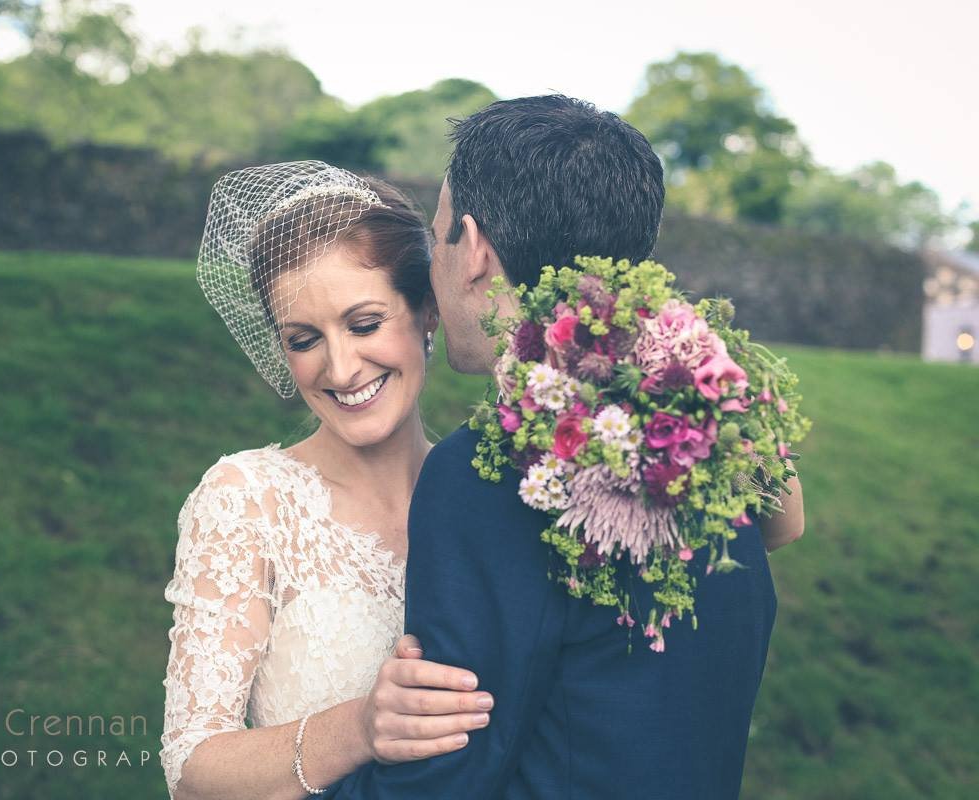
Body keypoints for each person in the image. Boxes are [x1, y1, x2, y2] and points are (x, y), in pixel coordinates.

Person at [314, 95, 805, 799]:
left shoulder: (489, 473)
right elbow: (789, 527)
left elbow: (441, 776)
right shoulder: (706, 425)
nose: (435, 266)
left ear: (475, 249)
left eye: (441, 234)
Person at [160, 164, 496, 800]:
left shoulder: (488, 486)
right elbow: (191, 768)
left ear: (425, 311)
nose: (340, 368)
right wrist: (359, 730)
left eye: (365, 324)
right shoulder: (247, 500)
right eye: (305, 338)